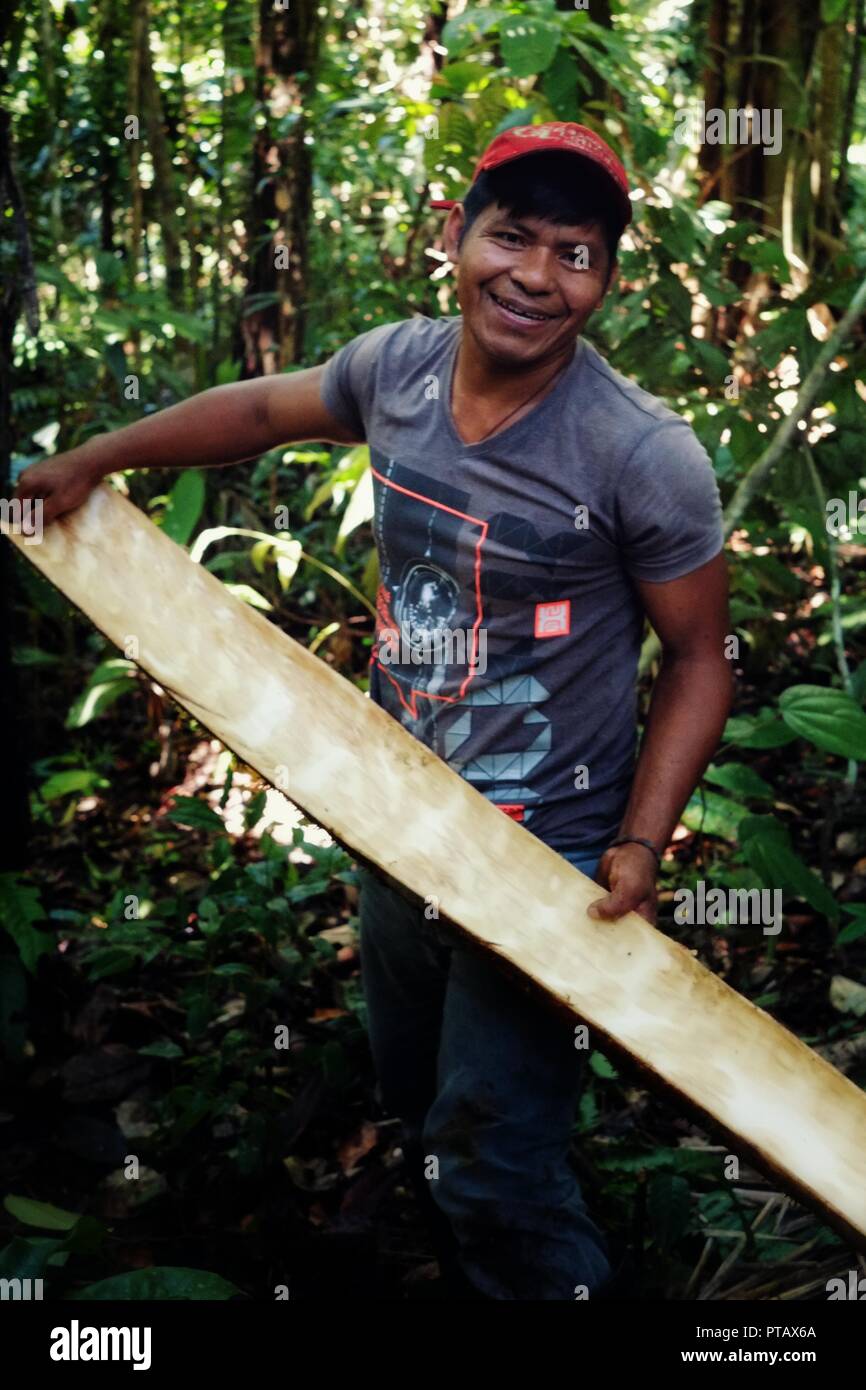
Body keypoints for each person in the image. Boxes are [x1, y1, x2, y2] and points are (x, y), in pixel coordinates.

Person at [15, 120, 734, 1301]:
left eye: (575, 253)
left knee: (496, 1169)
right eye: (511, 237)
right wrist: (99, 455)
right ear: (453, 237)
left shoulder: (638, 452)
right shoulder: (394, 369)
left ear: (605, 278)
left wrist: (640, 843)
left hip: (544, 855)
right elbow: (258, 414)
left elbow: (700, 656)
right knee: (420, 1103)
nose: (536, 277)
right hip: (399, 821)